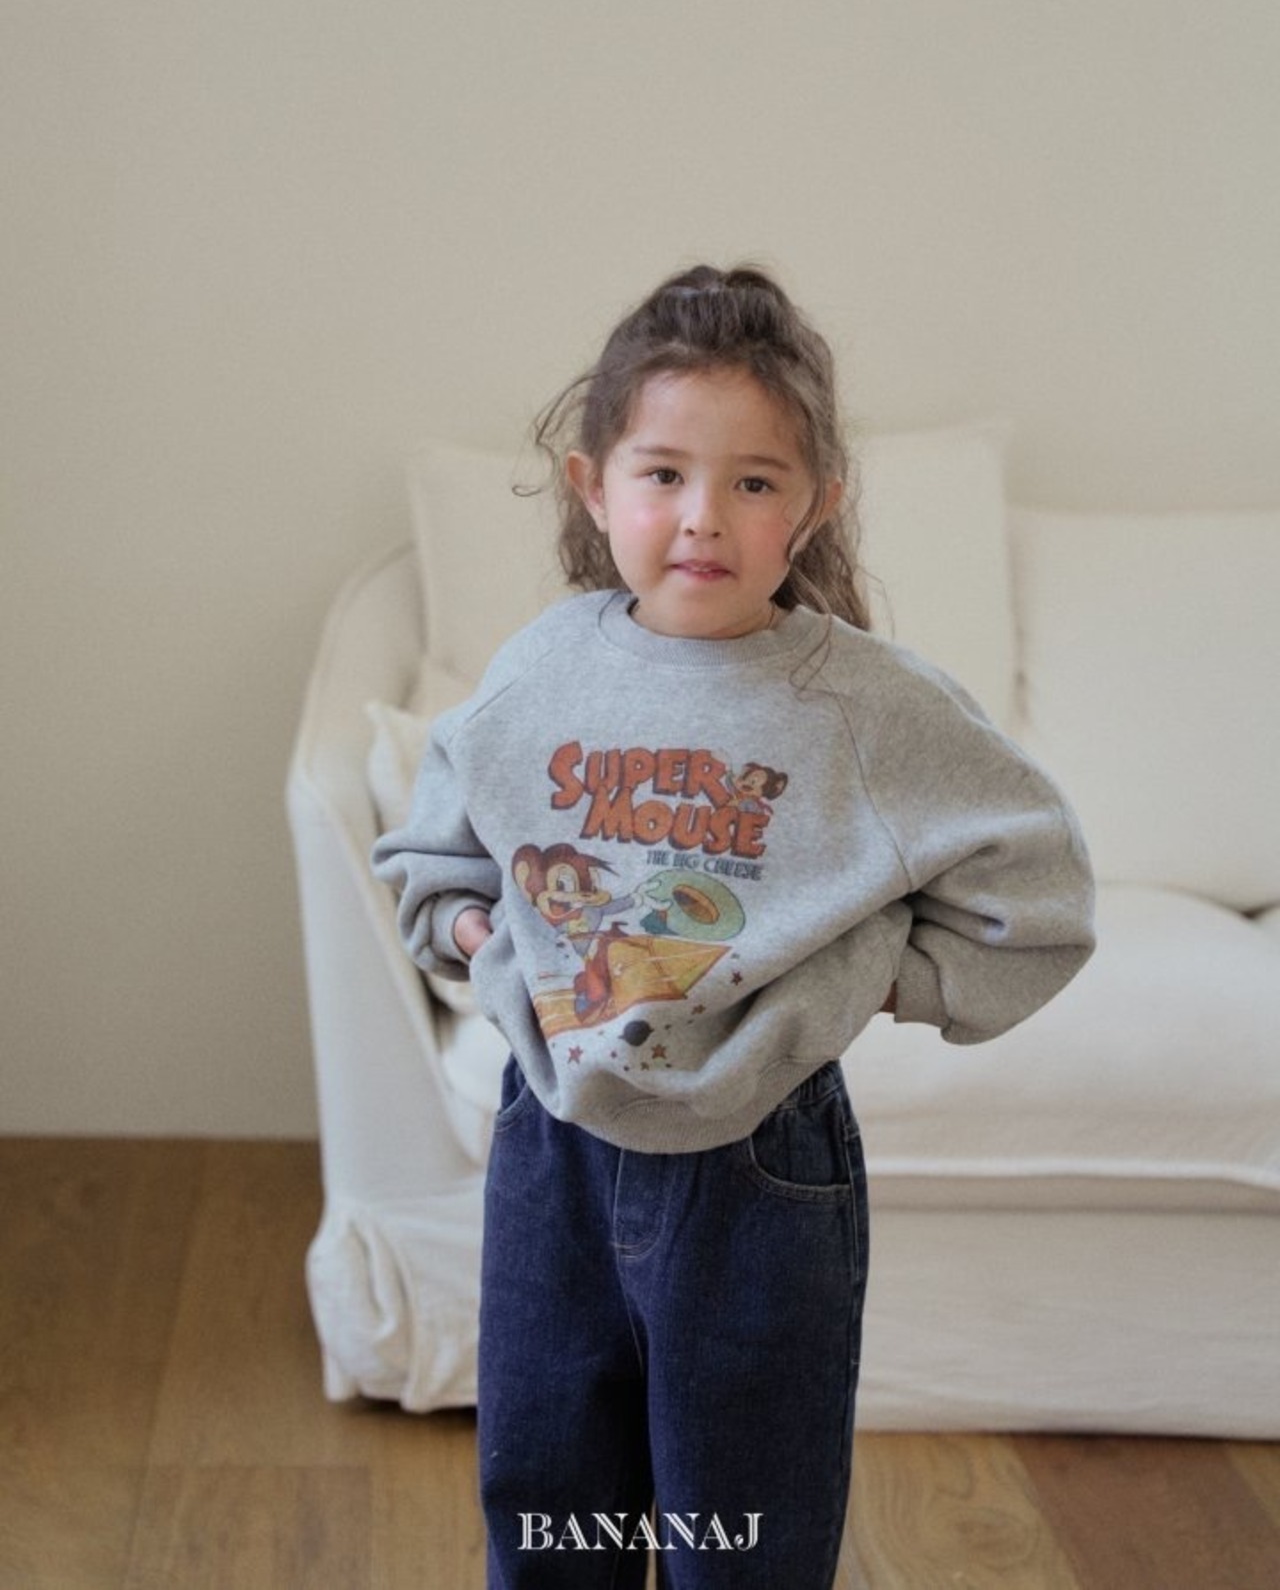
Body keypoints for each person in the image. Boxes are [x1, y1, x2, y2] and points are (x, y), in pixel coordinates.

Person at [372, 264, 1095, 1589]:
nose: (703, 516)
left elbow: (1035, 902)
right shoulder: (542, 668)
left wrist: (861, 976)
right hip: (553, 1142)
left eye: (754, 481)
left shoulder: (866, 705)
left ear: (814, 506)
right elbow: (435, 861)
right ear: (594, 487)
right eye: (663, 474)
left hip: (763, 1164)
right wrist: (488, 943)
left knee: (743, 1523)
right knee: (549, 1505)